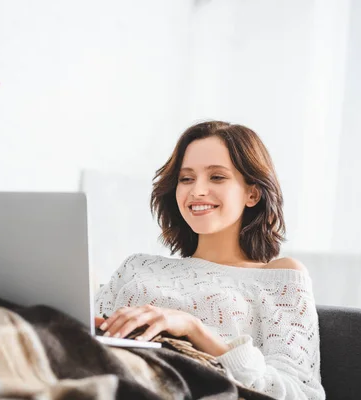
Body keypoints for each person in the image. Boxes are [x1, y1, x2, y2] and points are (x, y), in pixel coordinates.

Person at [94, 121, 326, 400]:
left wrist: (194, 329)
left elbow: (301, 394)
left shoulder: (279, 276)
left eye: (216, 177)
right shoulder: (137, 266)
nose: (197, 191)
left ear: (252, 193)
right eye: (186, 178)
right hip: (99, 375)